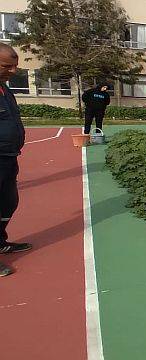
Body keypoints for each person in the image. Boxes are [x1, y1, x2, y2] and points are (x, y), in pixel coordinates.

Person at [0, 43, 32, 277]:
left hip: (9, 156)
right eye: (6, 66)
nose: (12, 71)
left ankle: (0, 241)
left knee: (8, 202)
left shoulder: (4, 89)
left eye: (15, 67)